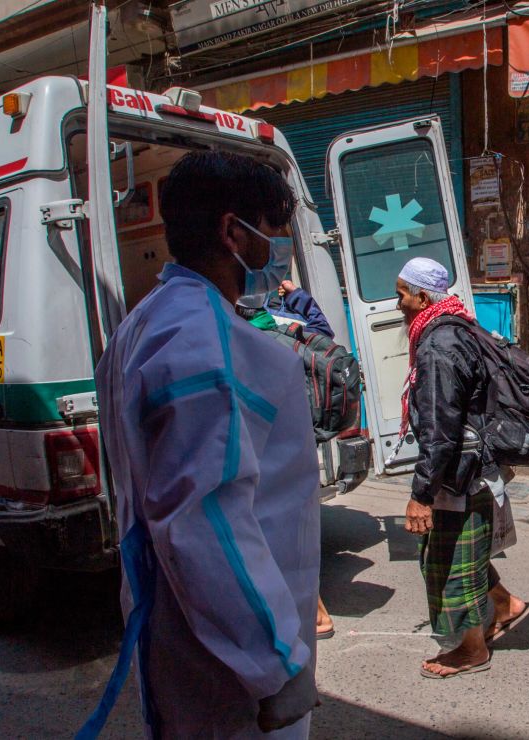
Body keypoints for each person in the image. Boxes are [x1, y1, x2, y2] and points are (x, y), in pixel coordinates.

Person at [91, 152, 320, 736]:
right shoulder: (205, 340)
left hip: (181, 629)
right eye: (272, 233)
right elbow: (203, 518)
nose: (278, 251)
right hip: (229, 665)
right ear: (231, 232)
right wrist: (274, 664)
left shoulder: (141, 325)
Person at [397, 257, 529, 678]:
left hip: (460, 473)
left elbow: (440, 430)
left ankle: (472, 651)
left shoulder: (438, 346)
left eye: (402, 293)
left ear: (422, 297)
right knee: (460, 553)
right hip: (474, 467)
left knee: (450, 560)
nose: (397, 303)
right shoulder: (458, 327)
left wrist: (420, 495)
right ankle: (507, 605)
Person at [236, 280, 336, 640]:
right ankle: (312, 612)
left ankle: (316, 615)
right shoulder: (285, 327)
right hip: (301, 442)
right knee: (294, 530)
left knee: (270, 534)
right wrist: (298, 297)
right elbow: (324, 333)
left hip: (267, 449)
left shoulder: (243, 341)